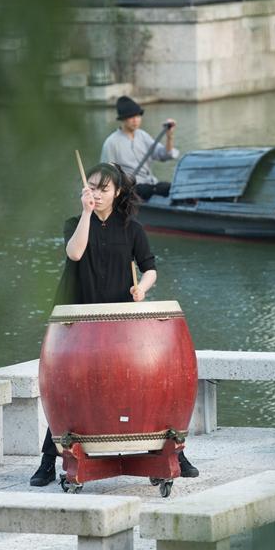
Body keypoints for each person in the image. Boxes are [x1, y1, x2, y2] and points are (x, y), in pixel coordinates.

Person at [29, 163, 199, 486]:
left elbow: (150, 268)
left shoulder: (131, 228)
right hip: (78, 318)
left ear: (117, 192)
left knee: (139, 384)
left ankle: (170, 453)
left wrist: (142, 288)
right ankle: (48, 461)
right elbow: (75, 253)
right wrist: (85, 214)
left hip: (120, 320)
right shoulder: (75, 224)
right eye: (91, 187)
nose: (96, 193)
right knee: (69, 390)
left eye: (103, 188)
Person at [100, 96, 180, 201]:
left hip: (150, 184)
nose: (135, 120)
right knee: (145, 189)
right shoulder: (111, 143)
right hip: (130, 190)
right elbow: (106, 175)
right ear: (123, 119)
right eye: (131, 117)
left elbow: (164, 155)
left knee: (173, 188)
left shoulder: (143, 135)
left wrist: (169, 136)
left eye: (138, 116)